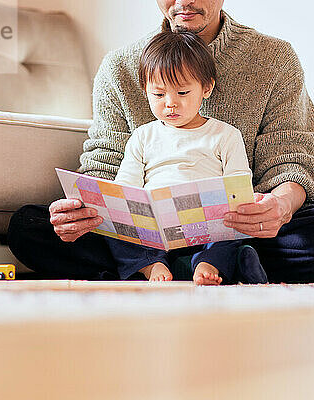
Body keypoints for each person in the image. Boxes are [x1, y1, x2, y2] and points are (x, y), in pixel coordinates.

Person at [7, 0, 314, 284]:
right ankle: (210, 270)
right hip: (142, 235)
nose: (184, 2)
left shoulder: (273, 60)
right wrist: (78, 213)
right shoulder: (120, 67)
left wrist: (279, 206)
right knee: (28, 228)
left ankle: (190, 266)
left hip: (239, 230)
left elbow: (292, 160)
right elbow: (106, 165)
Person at [106, 30, 267, 285]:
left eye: (182, 93)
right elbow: (125, 189)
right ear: (145, 90)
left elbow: (238, 184)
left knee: (235, 228)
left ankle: (209, 262)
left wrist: (248, 202)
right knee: (115, 228)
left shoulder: (225, 135)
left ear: (206, 88)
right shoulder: (142, 136)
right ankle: (152, 265)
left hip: (207, 227)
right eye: (158, 94)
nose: (170, 103)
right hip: (155, 230)